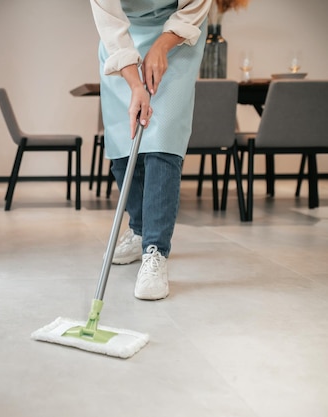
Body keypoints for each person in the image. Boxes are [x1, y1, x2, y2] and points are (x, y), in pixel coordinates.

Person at [89, 0, 211, 300]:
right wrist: (135, 85)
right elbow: (112, 27)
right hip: (122, 42)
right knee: (122, 143)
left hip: (179, 37)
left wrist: (162, 45)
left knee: (163, 142)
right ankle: (140, 229)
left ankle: (155, 251)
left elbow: (196, 7)